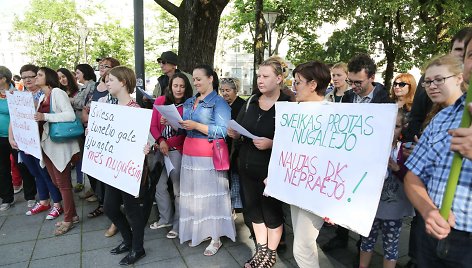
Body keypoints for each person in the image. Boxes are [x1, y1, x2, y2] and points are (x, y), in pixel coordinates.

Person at [404, 53, 470, 268]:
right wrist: (428, 211)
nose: (431, 86)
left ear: (459, 77)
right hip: (431, 233)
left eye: (439, 79)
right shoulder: (441, 117)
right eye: (428, 81)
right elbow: (412, 175)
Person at [322, 54, 391, 252]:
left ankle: (364, 245)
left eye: (358, 82)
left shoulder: (384, 101)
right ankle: (341, 236)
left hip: (370, 163)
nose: (354, 86)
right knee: (344, 199)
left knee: (363, 205)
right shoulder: (349, 97)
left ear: (372, 77)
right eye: (351, 81)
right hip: (348, 160)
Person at [228, 56, 291, 267]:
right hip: (246, 167)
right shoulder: (251, 100)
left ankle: (270, 254)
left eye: (265, 76)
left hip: (270, 172)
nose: (260, 80)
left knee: (271, 213)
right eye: (258, 76)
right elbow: (240, 127)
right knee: (253, 211)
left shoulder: (288, 105)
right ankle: (261, 249)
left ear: (279, 78)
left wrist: (272, 143)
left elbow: (295, 142)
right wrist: (235, 133)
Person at [178, 64, 235, 256]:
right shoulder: (189, 101)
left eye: (199, 79)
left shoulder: (219, 102)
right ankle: (201, 231)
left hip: (208, 155)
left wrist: (196, 125)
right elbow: (185, 127)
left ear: (211, 79)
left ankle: (216, 237)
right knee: (194, 197)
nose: (195, 82)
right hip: (189, 153)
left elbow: (224, 131)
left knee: (210, 197)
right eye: (194, 79)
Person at [102, 66, 150, 266]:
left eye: (110, 80)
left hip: (128, 170)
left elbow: (145, 139)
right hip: (113, 168)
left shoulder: (135, 110)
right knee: (110, 208)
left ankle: (137, 248)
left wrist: (146, 147)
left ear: (122, 82)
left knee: (132, 210)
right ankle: (128, 240)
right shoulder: (111, 108)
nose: (107, 83)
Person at [287, 61, 332, 268]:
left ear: (313, 85)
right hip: (296, 186)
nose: (293, 87)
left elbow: (339, 162)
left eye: (297, 82)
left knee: (302, 247)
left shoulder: (333, 115)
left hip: (317, 193)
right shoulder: (295, 113)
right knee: (303, 242)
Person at [359, 109, 414, 268]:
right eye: (388, 125)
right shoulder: (371, 146)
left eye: (396, 126)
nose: (391, 130)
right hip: (371, 207)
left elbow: (412, 179)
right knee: (366, 240)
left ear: (403, 126)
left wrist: (396, 167)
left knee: (391, 246)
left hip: (394, 209)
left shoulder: (405, 150)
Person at [34, 67, 80, 235]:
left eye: (39, 75)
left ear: (49, 77)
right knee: (57, 182)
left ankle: (68, 219)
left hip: (59, 145)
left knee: (64, 184)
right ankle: (72, 215)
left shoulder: (57, 93)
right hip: (47, 145)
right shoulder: (42, 96)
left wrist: (45, 117)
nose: (36, 77)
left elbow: (69, 115)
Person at [149, 72, 193, 240]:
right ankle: (165, 218)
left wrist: (173, 128)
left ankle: (178, 224)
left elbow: (187, 132)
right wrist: (161, 140)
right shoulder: (160, 101)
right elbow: (153, 125)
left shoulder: (188, 105)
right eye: (176, 85)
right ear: (170, 86)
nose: (179, 89)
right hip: (159, 149)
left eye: (182, 86)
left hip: (177, 151)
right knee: (159, 186)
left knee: (178, 190)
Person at [81, 57, 120, 239]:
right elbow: (87, 110)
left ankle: (117, 219)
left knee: (116, 185)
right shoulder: (100, 96)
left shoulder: (129, 102)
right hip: (100, 143)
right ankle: (106, 206)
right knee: (100, 178)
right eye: (101, 67)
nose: (102, 70)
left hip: (117, 148)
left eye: (107, 68)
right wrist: (91, 124)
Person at [219, 77, 246, 213]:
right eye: (222, 90)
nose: (224, 93)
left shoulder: (242, 105)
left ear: (235, 90)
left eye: (228, 90)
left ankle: (236, 206)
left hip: (237, 147)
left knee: (235, 175)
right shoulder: (222, 104)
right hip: (225, 145)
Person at [0, 66, 16, 211]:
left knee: (22, 166)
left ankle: (31, 195)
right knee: (2, 168)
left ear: (3, 79)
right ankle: (7, 198)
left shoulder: (15, 93)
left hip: (15, 136)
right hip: (0, 138)